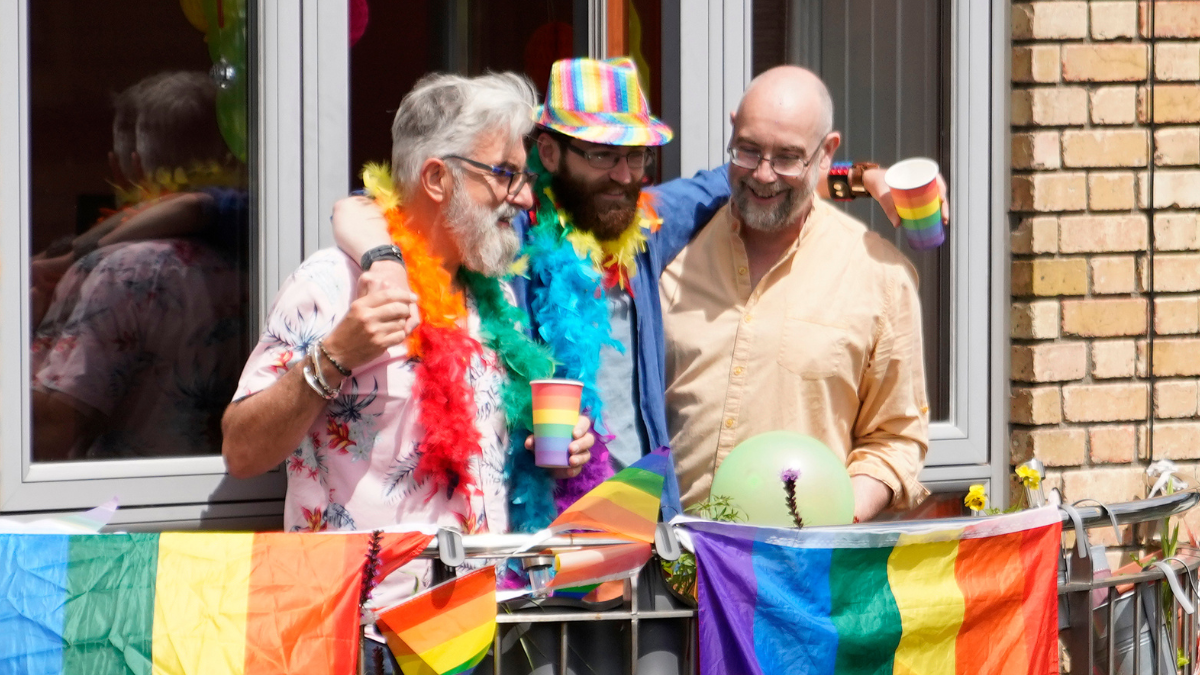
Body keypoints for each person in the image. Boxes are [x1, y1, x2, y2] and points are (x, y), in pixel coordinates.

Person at [330, 57, 915, 530]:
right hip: (541, 525)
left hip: (649, 526)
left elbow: (757, 177)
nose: (626, 174)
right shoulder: (506, 235)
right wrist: (382, 259)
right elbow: (370, 206)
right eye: (604, 155)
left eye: (636, 156)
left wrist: (858, 177)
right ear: (552, 153)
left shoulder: (647, 226)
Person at [220, 73, 593, 590]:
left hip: (480, 624)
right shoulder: (333, 283)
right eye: (506, 173)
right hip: (361, 631)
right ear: (438, 179)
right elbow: (242, 452)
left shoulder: (495, 297)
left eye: (524, 176)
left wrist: (545, 453)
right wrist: (333, 359)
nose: (526, 197)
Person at [661, 66, 930, 522]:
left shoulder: (879, 278)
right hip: (667, 570)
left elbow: (896, 438)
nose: (764, 175)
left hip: (801, 574)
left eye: (787, 157)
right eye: (748, 151)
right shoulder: (671, 252)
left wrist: (833, 521)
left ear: (827, 153)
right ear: (732, 131)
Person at [31, 71, 249, 461]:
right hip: (234, 494)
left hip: (123, 507)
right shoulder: (270, 247)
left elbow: (51, 432)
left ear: (127, 168)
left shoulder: (121, 271)